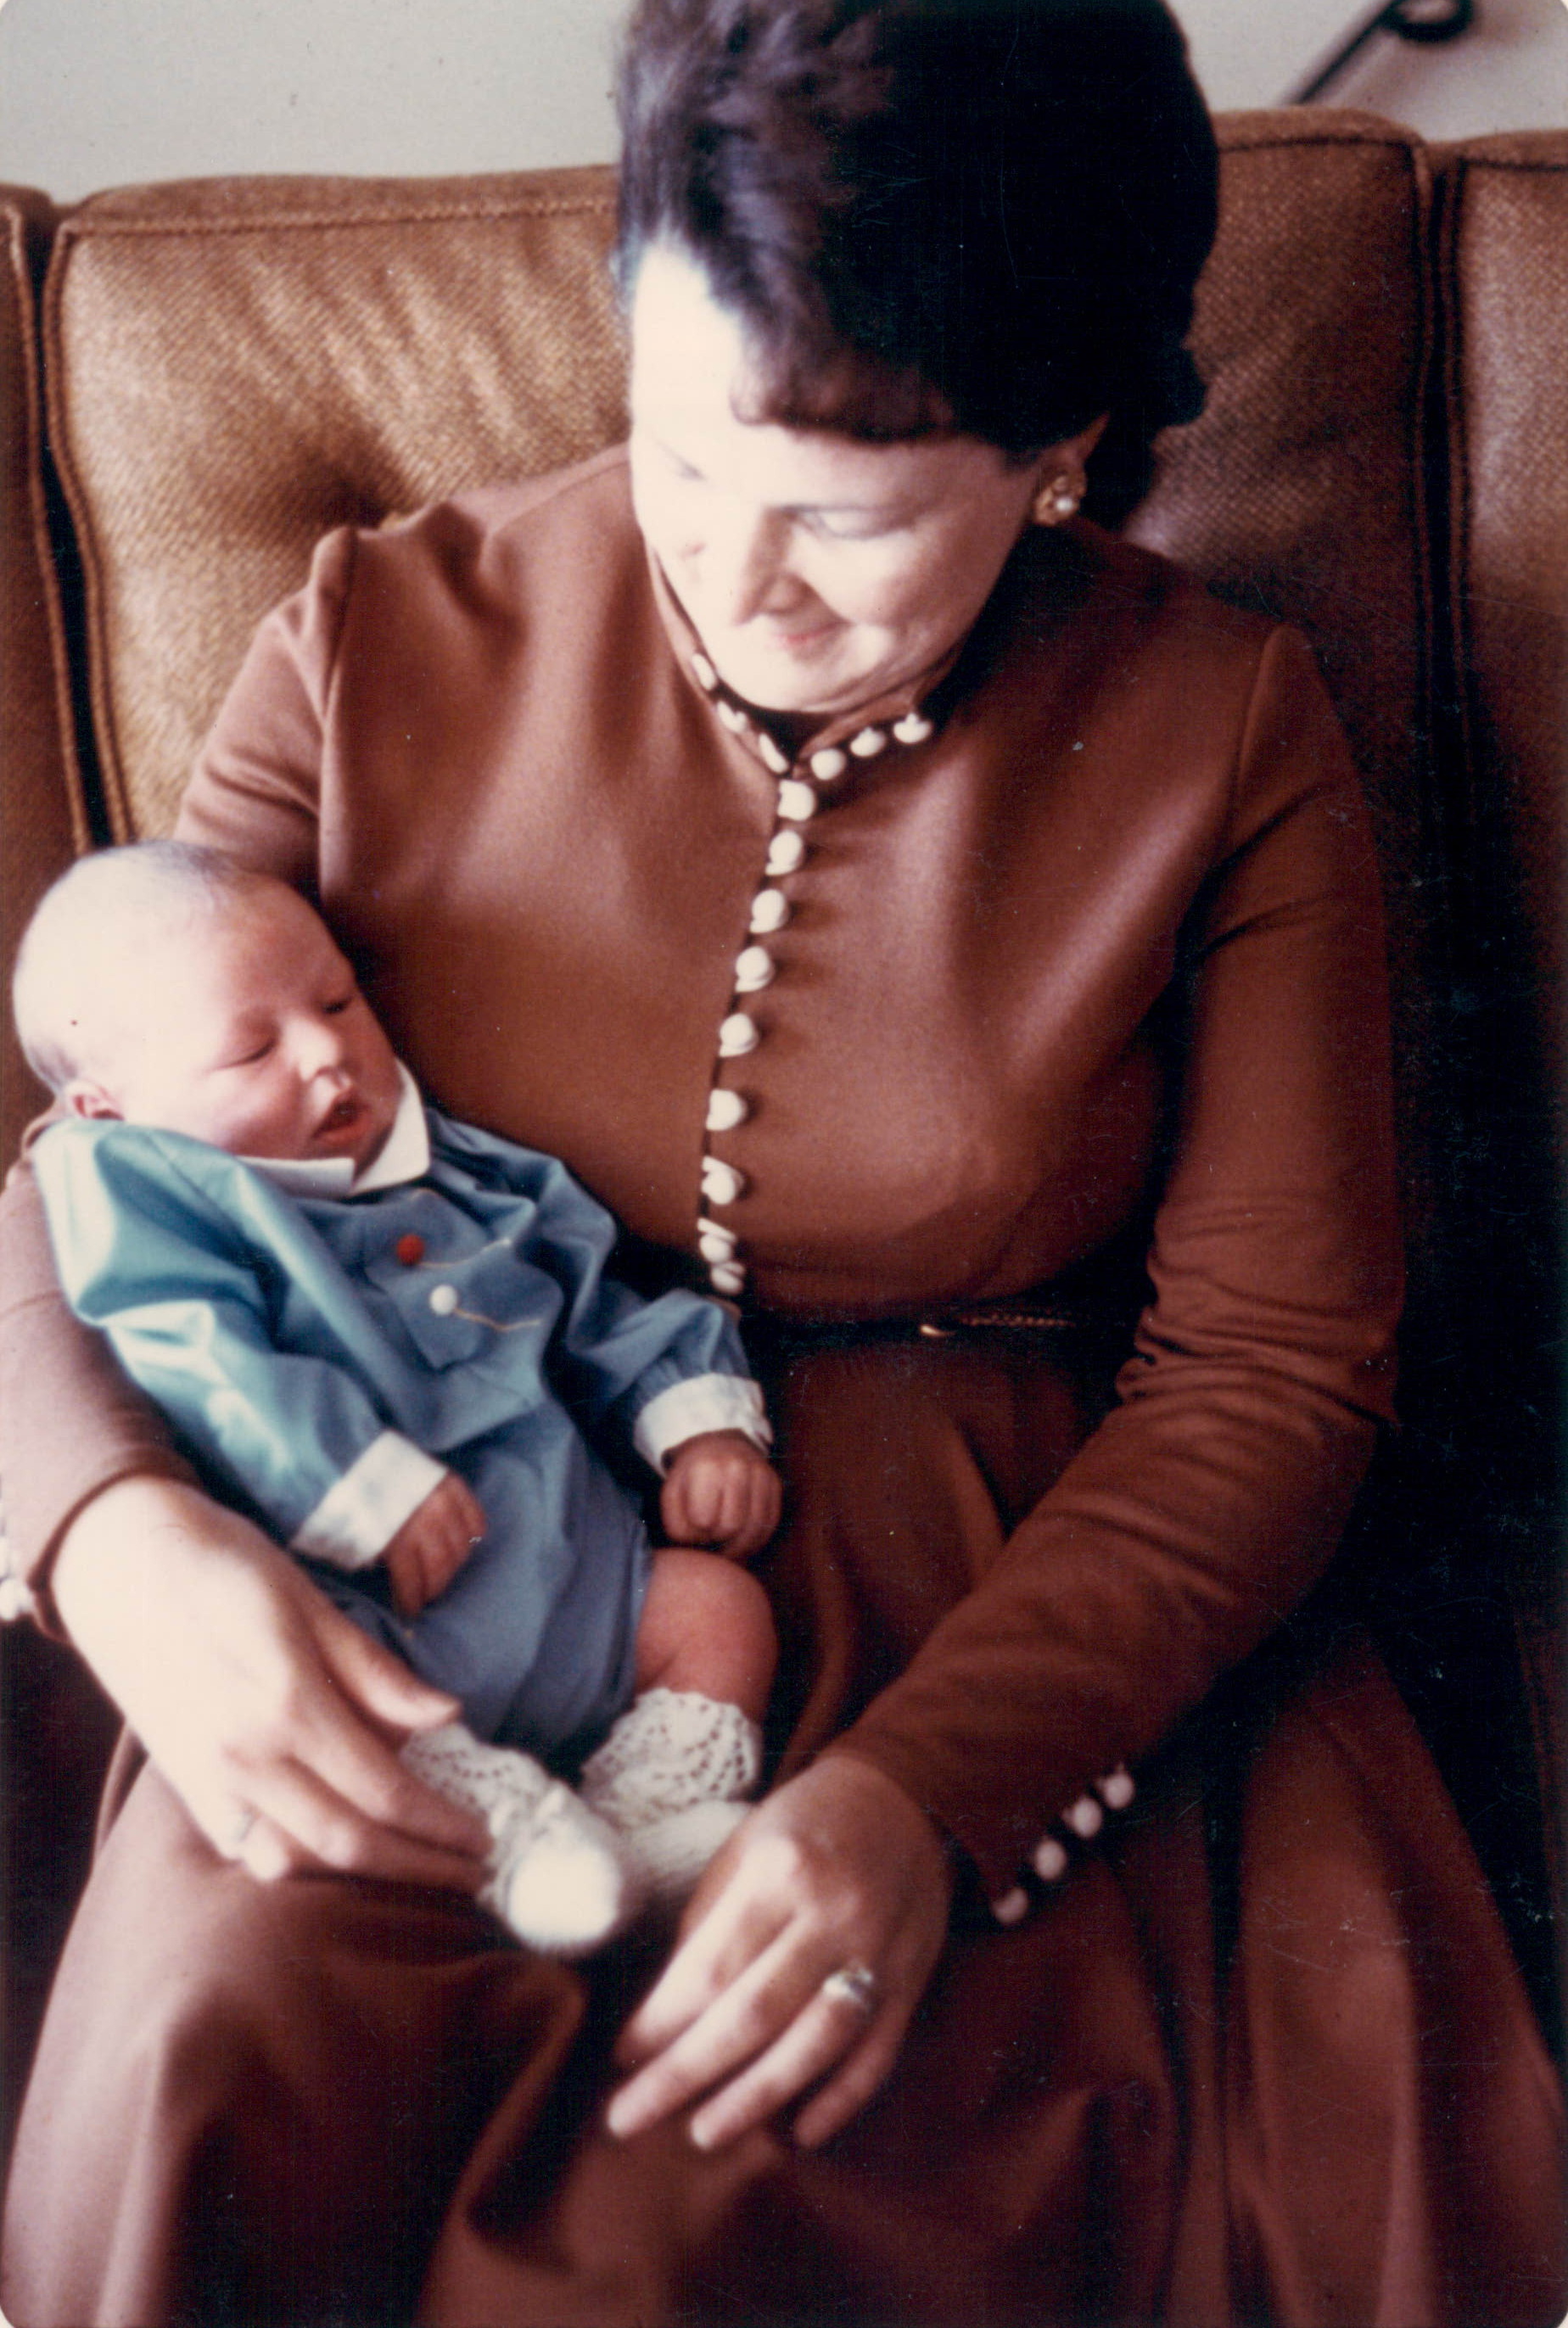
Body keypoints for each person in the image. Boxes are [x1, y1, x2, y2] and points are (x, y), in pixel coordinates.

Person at [1, 0, 1562, 2321]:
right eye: (682, 455)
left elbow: (1274, 1370)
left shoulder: (1223, 731)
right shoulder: (366, 637)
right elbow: (74, 1169)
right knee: (221, 2051)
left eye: (848, 523)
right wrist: (114, 1537)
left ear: (1062, 453)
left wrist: (928, 1801)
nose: (740, 577)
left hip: (1027, 1598)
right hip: (424, 1553)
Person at [14, 841, 783, 1953]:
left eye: (338, 1001)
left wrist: (699, 1424)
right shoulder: (158, 1200)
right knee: (337, 1705)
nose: (328, 1050)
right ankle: (517, 1843)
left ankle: (648, 1820)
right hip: (374, 1605)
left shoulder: (467, 1172)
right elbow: (195, 1352)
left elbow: (597, 1294)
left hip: (581, 1578)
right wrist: (352, 1479)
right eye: (251, 1049)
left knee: (719, 1613)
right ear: (108, 1108)